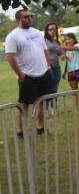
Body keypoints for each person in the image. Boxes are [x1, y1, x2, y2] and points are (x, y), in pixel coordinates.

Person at [4, 8, 51, 138]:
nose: (30, 18)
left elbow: (45, 50)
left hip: (43, 73)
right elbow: (10, 57)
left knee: (42, 101)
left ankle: (40, 127)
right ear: (18, 19)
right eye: (26, 17)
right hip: (27, 76)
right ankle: (21, 131)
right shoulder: (13, 36)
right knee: (24, 104)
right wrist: (20, 75)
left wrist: (48, 66)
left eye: (31, 16)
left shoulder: (37, 32)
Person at [42, 22, 64, 115]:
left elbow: (60, 54)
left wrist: (62, 54)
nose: (53, 31)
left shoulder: (56, 41)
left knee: (54, 88)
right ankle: (45, 109)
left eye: (54, 29)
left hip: (56, 68)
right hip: (47, 68)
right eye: (50, 29)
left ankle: (54, 109)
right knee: (47, 88)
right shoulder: (42, 41)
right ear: (46, 30)